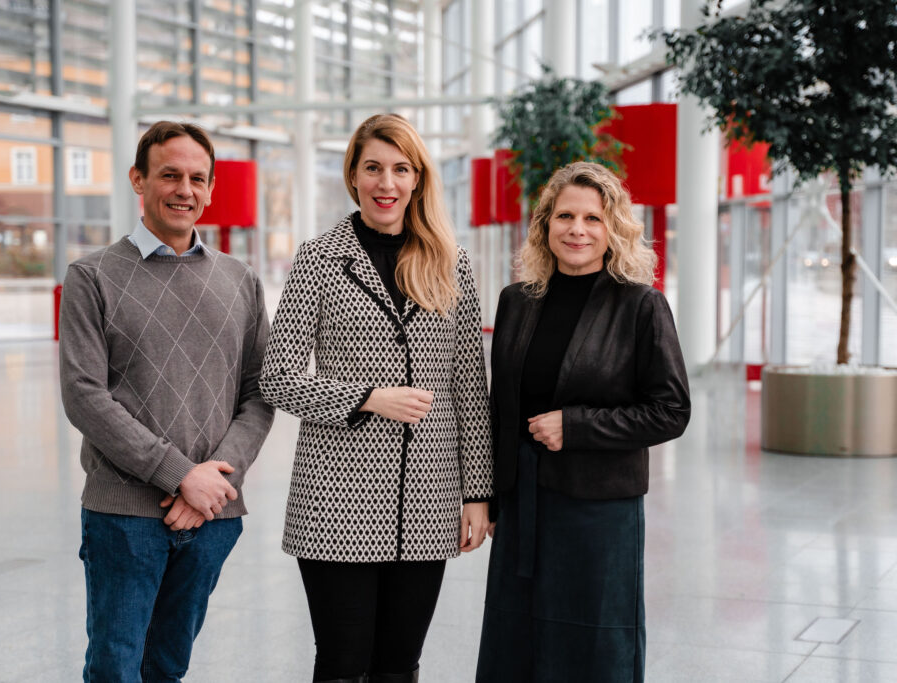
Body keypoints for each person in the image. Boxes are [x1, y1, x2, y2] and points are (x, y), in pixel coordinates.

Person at [260, 113, 493, 683]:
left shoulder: (451, 262)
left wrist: (478, 494)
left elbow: (470, 387)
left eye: (400, 169)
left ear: (417, 180)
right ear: (353, 176)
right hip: (336, 498)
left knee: (398, 665)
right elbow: (278, 377)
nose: (386, 182)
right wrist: (366, 397)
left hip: (429, 499)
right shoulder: (317, 259)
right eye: (373, 168)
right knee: (342, 664)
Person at [59, 120, 274, 682]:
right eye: (170, 175)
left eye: (198, 178)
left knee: (168, 665)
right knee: (114, 665)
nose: (185, 189)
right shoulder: (92, 275)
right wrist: (182, 476)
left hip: (212, 515)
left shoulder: (240, 279)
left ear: (211, 189)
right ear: (138, 179)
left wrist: (211, 485)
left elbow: (259, 393)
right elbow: (84, 395)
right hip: (124, 515)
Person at [476, 161, 690, 682]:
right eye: (565, 215)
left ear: (613, 228)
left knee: (594, 645)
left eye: (593, 219)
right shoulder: (516, 302)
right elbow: (498, 408)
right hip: (523, 504)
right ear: (545, 224)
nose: (577, 229)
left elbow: (671, 410)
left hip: (599, 512)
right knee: (517, 642)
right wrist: (485, 497)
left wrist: (576, 427)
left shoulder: (641, 306)